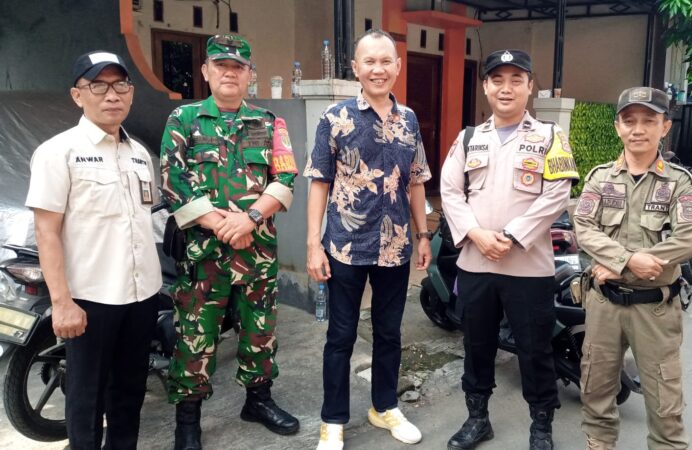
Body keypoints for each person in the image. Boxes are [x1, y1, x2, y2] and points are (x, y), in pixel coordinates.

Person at [159, 34, 299, 450]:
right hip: (204, 256)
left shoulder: (269, 122)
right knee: (195, 337)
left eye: (238, 67)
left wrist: (249, 219)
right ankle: (188, 421)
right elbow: (172, 179)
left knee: (260, 331)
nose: (229, 73)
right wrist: (219, 223)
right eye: (221, 65)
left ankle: (258, 401)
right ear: (206, 71)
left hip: (256, 252)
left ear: (249, 75)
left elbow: (285, 177)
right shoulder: (183, 120)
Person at [440, 49, 579, 450]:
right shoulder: (468, 138)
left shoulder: (551, 137)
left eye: (516, 79)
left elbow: (557, 194)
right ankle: (477, 419)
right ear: (485, 86)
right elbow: (450, 191)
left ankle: (541, 425)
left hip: (528, 268)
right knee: (477, 345)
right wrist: (476, 234)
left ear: (529, 86)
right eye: (497, 80)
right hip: (476, 263)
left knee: (534, 349)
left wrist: (514, 235)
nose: (506, 88)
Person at [25, 51, 162, 449]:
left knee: (129, 392)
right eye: (98, 86)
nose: (112, 95)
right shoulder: (58, 152)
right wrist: (61, 302)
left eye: (121, 85)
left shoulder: (139, 154)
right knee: (87, 397)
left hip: (142, 294)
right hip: (90, 299)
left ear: (131, 92)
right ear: (77, 95)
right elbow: (46, 232)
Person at [304, 29, 432, 450]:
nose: (378, 69)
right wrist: (313, 244)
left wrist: (423, 235)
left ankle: (384, 406)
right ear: (356, 68)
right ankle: (333, 420)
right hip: (345, 245)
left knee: (389, 332)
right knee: (340, 335)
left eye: (386, 61)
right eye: (370, 62)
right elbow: (319, 182)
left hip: (395, 245)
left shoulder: (408, 119)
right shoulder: (335, 118)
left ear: (398, 66)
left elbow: (416, 181)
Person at [573, 87, 692, 450]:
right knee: (596, 388)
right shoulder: (600, 178)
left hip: (655, 308)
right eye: (629, 121)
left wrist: (617, 266)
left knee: (664, 399)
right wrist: (628, 261)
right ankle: (599, 443)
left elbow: (687, 241)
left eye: (649, 120)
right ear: (618, 127)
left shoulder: (679, 182)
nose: (638, 129)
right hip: (604, 304)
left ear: (665, 127)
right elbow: (584, 229)